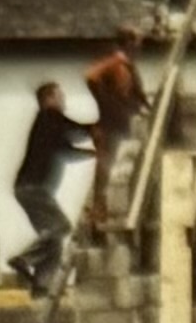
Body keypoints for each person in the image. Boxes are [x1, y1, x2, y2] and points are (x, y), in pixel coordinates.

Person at [9, 82, 94, 292]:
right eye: (59, 96)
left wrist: (92, 153)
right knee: (62, 227)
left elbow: (65, 149)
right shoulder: (50, 117)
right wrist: (102, 129)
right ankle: (24, 258)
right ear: (48, 99)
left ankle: (40, 286)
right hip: (33, 188)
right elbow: (77, 132)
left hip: (27, 189)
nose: (63, 100)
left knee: (53, 243)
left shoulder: (48, 126)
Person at [81, 24, 149, 227]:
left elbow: (137, 95)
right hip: (109, 125)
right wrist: (108, 102)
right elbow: (91, 76)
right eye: (137, 42)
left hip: (123, 125)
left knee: (118, 167)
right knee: (105, 169)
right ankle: (98, 214)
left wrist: (144, 108)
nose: (140, 47)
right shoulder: (115, 63)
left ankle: (107, 212)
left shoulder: (129, 67)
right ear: (128, 43)